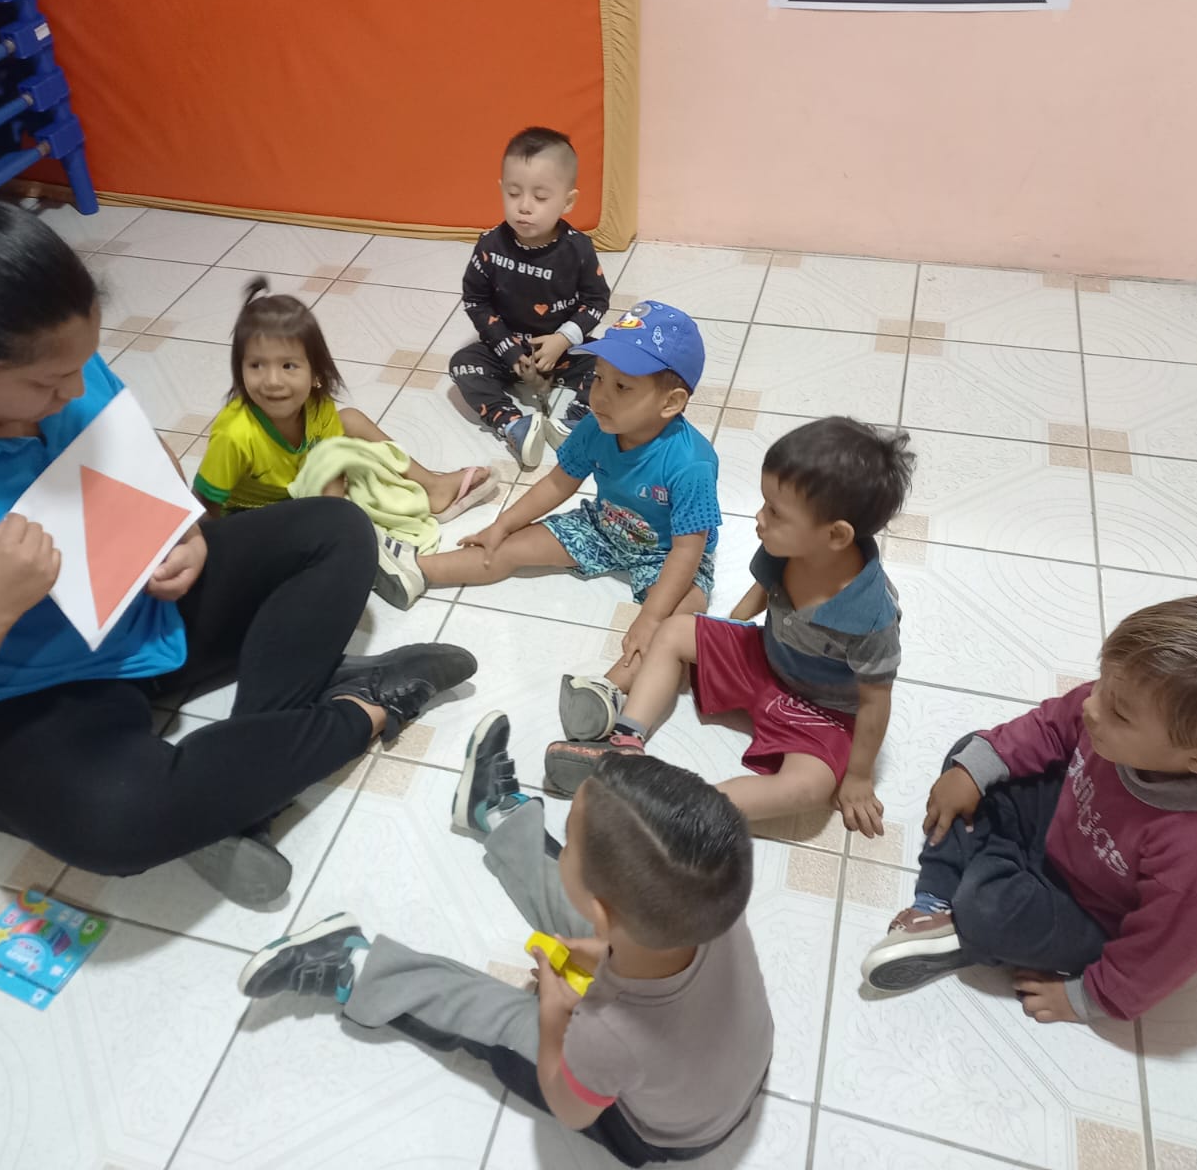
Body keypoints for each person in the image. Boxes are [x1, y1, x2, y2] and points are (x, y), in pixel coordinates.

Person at [0, 169, 476, 907]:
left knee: (336, 529)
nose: (74, 391)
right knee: (117, 822)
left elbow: (134, 446)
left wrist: (185, 530)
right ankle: (364, 710)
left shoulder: (52, 352)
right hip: (15, 698)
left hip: (135, 609)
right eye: (49, 384)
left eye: (81, 365)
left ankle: (244, 782)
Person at [238, 713, 773, 1167]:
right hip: (724, 1069)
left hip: (658, 1132)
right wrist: (597, 960)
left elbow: (570, 1107)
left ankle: (355, 970)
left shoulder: (606, 1037)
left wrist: (554, 1015)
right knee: (621, 904)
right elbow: (630, 942)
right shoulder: (714, 895)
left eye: (568, 843)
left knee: (506, 1019)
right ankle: (493, 813)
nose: (563, 847)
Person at [860, 594, 1197, 1025]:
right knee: (976, 759)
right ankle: (936, 901)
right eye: (1102, 683)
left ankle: (966, 915)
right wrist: (976, 770)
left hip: (1095, 913)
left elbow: (1158, 956)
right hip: (1067, 824)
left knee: (990, 910)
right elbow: (1048, 727)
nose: (1092, 707)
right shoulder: (1112, 708)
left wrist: (1085, 999)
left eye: (1119, 712)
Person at [545, 417, 913, 832]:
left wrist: (859, 777)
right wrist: (726, 633)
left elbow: (875, 702)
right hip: (766, 661)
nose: (760, 517)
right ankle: (626, 742)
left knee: (810, 788)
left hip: (822, 713)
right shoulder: (788, 544)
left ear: (835, 536)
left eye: (775, 511)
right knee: (675, 630)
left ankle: (683, 809)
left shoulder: (871, 616)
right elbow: (764, 588)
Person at [380, 303, 719, 698]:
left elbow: (687, 549)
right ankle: (417, 570)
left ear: (671, 403)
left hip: (668, 554)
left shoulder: (691, 463)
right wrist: (502, 525)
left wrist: (652, 616)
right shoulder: (595, 427)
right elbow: (558, 483)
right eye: (598, 378)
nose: (600, 397)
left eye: (622, 387)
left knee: (674, 622)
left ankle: (607, 691)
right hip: (603, 526)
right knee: (508, 547)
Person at [192, 276, 497, 520]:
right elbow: (205, 508)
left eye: (288, 366)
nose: (272, 381)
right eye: (256, 365)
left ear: (315, 373)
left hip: (302, 494)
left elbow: (332, 468)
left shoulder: (318, 406)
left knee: (350, 419)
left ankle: (433, 486)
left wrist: (333, 518)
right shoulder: (234, 435)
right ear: (239, 370)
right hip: (254, 518)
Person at [449, 126, 612, 469]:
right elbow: (475, 300)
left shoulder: (578, 249)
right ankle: (514, 425)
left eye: (540, 197)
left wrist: (562, 340)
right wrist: (507, 350)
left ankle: (576, 421)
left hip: (562, 350)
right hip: (506, 350)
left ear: (568, 201)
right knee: (462, 364)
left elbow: (596, 301)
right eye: (513, 193)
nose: (524, 206)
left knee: (612, 362)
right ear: (501, 190)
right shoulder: (490, 245)